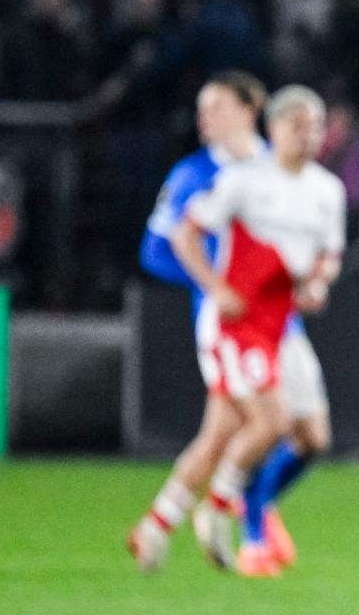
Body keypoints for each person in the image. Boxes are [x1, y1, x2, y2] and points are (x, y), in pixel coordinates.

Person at [127, 75, 332, 576]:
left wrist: (310, 280)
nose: (204, 119)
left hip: (281, 323)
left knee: (283, 435)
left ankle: (158, 525)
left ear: (251, 110)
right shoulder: (194, 174)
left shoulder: (282, 168)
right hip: (231, 324)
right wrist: (217, 284)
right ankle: (246, 524)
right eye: (202, 108)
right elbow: (159, 248)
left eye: (215, 106)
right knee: (267, 424)